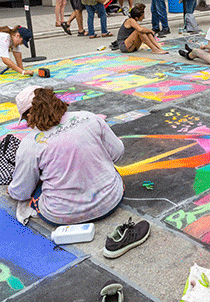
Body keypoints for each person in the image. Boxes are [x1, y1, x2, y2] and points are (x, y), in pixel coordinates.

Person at [8, 86, 128, 226]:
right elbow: (117, 152)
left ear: (28, 116)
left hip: (62, 214)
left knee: (37, 184)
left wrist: (11, 189)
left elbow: (22, 191)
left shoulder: (30, 143)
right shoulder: (88, 117)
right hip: (111, 200)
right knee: (100, 164)